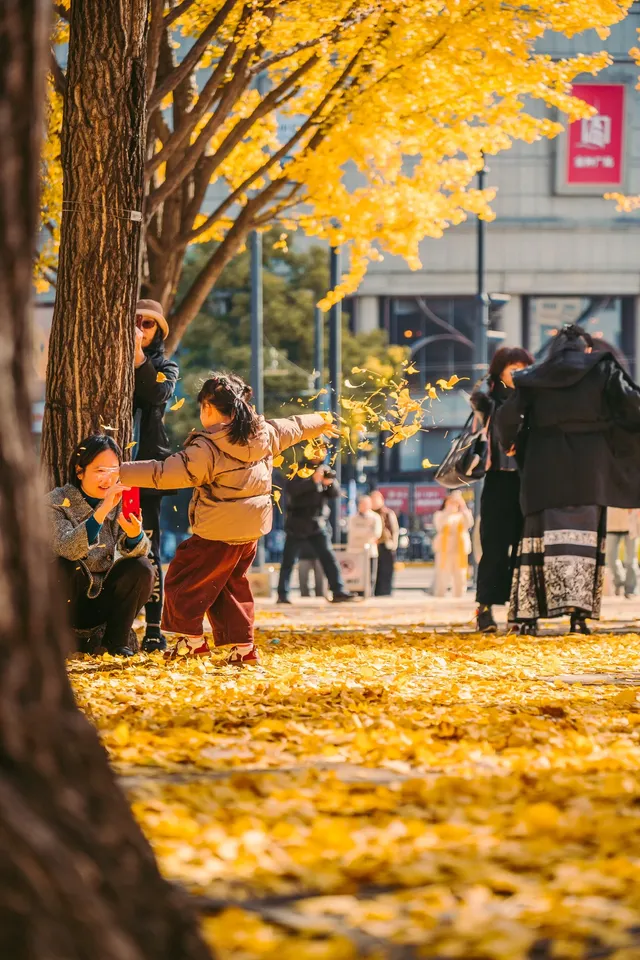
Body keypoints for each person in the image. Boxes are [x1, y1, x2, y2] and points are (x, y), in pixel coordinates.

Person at [121, 372, 338, 662]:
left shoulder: (207, 448)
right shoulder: (265, 434)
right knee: (229, 585)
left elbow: (163, 473)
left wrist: (120, 471)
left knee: (182, 578)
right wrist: (321, 420)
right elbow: (295, 426)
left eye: (201, 408)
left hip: (217, 532)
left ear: (209, 408)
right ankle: (243, 649)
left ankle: (192, 641)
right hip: (250, 532)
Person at [496, 325, 640, 635]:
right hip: (592, 470)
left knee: (538, 538)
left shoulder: (534, 376)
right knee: (584, 538)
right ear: (586, 349)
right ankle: (578, 618)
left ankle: (528, 618)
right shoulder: (602, 368)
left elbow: (507, 416)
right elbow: (632, 405)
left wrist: (510, 443)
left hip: (543, 469)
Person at [48, 435, 154, 657]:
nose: (108, 479)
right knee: (63, 565)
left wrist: (135, 536)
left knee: (142, 567)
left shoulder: (121, 501)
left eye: (113, 470)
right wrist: (102, 510)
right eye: (100, 471)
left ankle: (114, 644)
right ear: (80, 471)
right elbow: (69, 548)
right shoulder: (56, 501)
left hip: (103, 601)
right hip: (65, 601)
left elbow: (139, 552)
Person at [471, 345, 534, 632]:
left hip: (527, 483)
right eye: (513, 370)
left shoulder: (534, 400)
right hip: (497, 481)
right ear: (500, 372)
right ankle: (484, 609)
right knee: (494, 548)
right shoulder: (488, 402)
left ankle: (520, 611)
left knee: (523, 550)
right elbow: (479, 431)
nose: (518, 375)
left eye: (523, 369)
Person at [133, 299, 179, 653]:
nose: (141, 328)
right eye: (136, 321)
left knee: (147, 548)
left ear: (159, 332)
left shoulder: (166, 366)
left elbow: (155, 393)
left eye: (149, 324)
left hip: (145, 473)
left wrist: (137, 355)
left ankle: (152, 628)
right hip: (104, 473)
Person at [277, 447, 353, 604]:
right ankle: (282, 594)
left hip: (317, 522)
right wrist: (313, 481)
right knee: (288, 560)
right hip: (297, 522)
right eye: (316, 450)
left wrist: (328, 483)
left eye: (323, 450)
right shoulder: (298, 468)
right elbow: (292, 490)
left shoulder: (325, 469)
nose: (320, 454)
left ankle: (338, 590)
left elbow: (335, 494)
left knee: (328, 558)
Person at [432, 491, 474, 598]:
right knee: (442, 575)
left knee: (460, 576)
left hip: (459, 549)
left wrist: (462, 505)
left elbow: (469, 523)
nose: (453, 505)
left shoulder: (462, 515)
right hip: (444, 549)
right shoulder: (440, 514)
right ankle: (439, 596)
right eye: (450, 502)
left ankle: (459, 597)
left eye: (455, 503)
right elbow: (440, 525)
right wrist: (448, 511)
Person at [348, 495, 383, 595]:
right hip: (355, 551)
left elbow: (376, 533)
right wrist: (367, 531)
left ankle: (368, 595)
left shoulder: (375, 517)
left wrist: (361, 533)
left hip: (370, 552)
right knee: (354, 575)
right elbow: (353, 531)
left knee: (370, 576)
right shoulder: (353, 518)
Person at [606, 508, 640, 598]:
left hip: (630, 525)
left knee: (630, 559)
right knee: (610, 558)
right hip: (611, 525)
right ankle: (619, 582)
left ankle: (630, 589)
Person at [371, 490, 399, 596]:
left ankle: (385, 592)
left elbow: (394, 529)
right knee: (375, 571)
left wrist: (393, 544)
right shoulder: (369, 513)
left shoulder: (388, 513)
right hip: (373, 545)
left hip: (386, 545)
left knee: (386, 571)